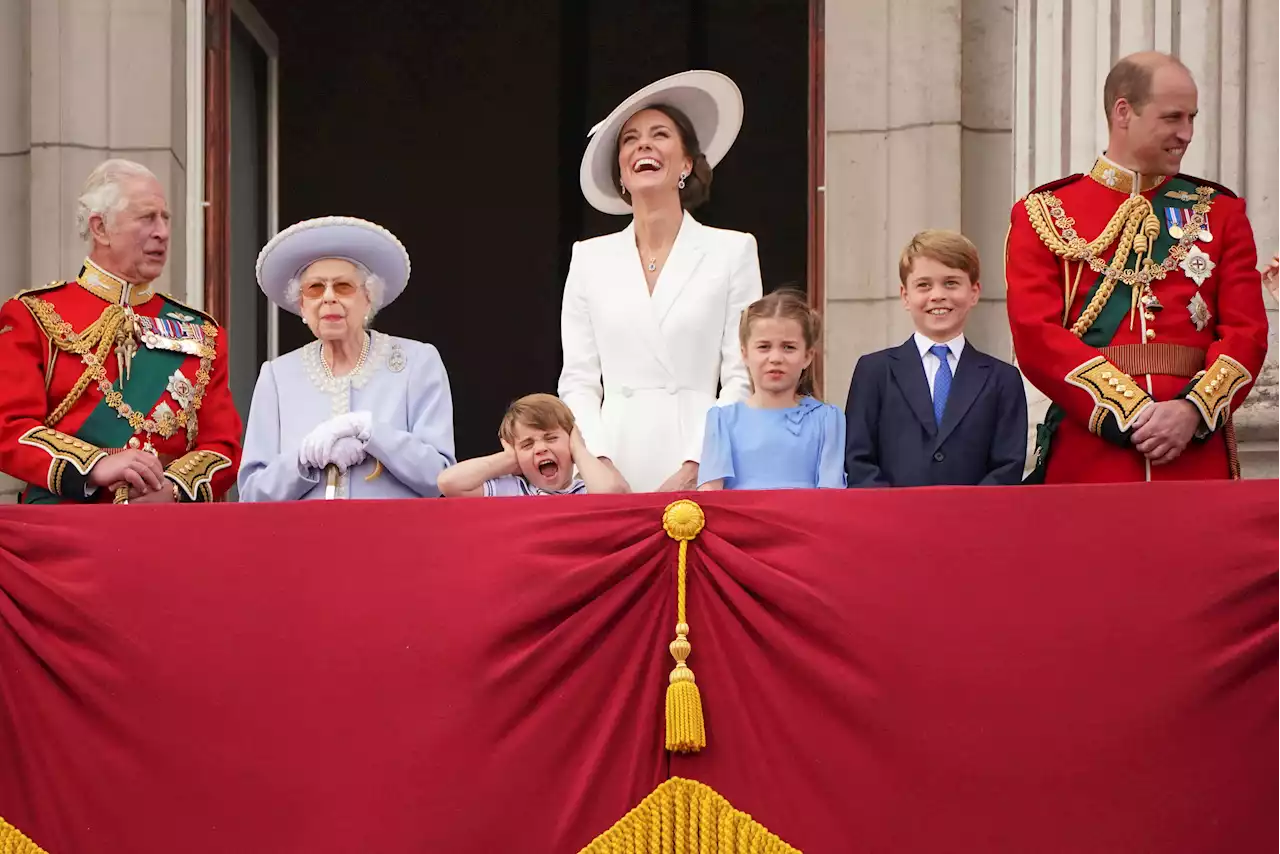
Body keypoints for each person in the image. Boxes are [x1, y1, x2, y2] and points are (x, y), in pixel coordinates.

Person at [1006, 52, 1269, 483]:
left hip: (1195, 459)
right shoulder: (1045, 213)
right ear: (1123, 112)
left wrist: (1191, 411)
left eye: (1191, 118)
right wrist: (1130, 412)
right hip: (1091, 458)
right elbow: (1036, 336)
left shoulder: (1220, 212)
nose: (1186, 133)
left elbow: (1248, 334)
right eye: (1172, 118)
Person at [559, 70, 762, 493]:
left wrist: (697, 465)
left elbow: (742, 375)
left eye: (659, 135)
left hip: (699, 463)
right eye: (630, 139)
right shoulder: (589, 258)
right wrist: (597, 463)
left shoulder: (732, 251)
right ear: (621, 170)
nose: (643, 145)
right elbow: (578, 379)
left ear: (687, 162)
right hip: (612, 467)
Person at [0, 159, 241, 504]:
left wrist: (172, 490)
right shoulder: (34, 315)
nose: (162, 231)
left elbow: (224, 447)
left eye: (165, 218)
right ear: (100, 228)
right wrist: (96, 466)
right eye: (147, 218)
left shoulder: (203, 332)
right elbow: (8, 428)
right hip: (64, 529)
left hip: (167, 530)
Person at [238, 216, 455, 500]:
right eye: (315, 288)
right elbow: (252, 494)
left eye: (343, 287)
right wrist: (303, 460)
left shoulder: (417, 362)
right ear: (302, 306)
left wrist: (371, 432)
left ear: (368, 298)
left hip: (395, 538)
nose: (328, 297)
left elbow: (439, 478)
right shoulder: (276, 377)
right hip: (302, 540)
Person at [844, 231, 1027, 487]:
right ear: (905, 295)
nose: (938, 295)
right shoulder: (874, 371)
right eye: (924, 285)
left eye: (951, 283)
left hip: (974, 522)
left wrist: (965, 517)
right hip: (891, 521)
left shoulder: (1003, 379)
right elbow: (858, 459)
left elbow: (1008, 464)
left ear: (974, 292)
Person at [697, 289, 844, 490]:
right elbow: (710, 495)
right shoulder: (722, 420)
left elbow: (831, 495)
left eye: (788, 347)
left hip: (806, 520)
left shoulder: (827, 419)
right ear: (744, 353)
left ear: (808, 356)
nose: (775, 358)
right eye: (764, 347)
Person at [437, 393, 630, 497]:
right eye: (527, 445)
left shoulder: (587, 490)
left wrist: (579, 450)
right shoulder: (512, 491)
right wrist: (507, 459)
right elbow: (449, 483)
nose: (540, 449)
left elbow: (611, 496)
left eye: (551, 438)